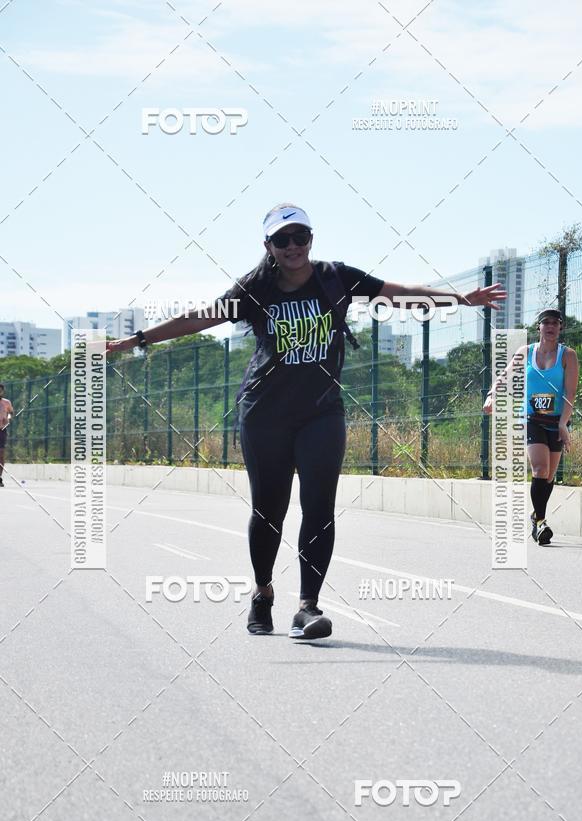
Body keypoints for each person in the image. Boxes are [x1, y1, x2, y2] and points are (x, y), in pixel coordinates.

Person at [108, 203, 505, 638]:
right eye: (282, 239)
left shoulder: (336, 277)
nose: (293, 246)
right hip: (264, 414)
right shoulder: (254, 288)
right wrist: (139, 339)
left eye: (300, 237)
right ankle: (263, 592)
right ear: (269, 246)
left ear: (311, 240)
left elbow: (400, 292)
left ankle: (307, 607)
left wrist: (460, 298)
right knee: (269, 510)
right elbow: (199, 318)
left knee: (319, 508)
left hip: (321, 412)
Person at [484, 308, 578, 545]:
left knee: (549, 477)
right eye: (546, 322)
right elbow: (504, 376)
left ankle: (536, 516)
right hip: (531, 418)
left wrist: (563, 423)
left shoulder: (568, 355)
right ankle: (541, 523)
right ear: (539, 327)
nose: (550, 326)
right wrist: (492, 395)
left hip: (556, 420)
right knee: (540, 468)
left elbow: (570, 394)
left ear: (560, 327)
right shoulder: (525, 352)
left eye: (555, 323)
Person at [0, 384, 14, 487]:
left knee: (1, 454)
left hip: (2, 430)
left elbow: (11, 413)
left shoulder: (6, 402)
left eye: (0, 391)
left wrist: (8, 418)